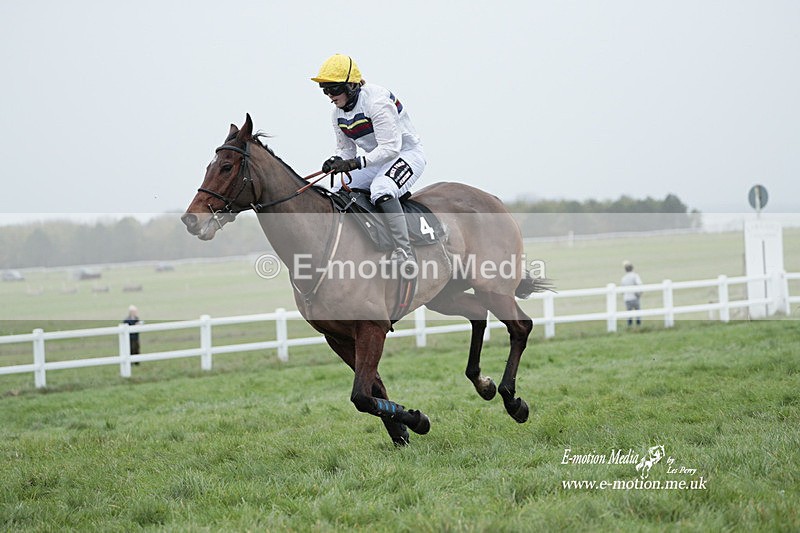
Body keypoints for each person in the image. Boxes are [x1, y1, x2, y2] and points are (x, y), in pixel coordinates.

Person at [312, 54, 425, 272]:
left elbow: (391, 147)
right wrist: (337, 161)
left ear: (351, 85)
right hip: (377, 159)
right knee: (336, 188)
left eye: (334, 89)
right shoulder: (337, 114)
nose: (329, 96)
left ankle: (405, 252)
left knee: (381, 188)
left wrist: (355, 163)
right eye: (325, 90)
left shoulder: (377, 102)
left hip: (406, 154)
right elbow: (346, 150)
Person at [621, 261, 643, 326]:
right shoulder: (635, 276)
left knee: (629, 313)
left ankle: (629, 325)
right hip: (635, 297)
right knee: (638, 312)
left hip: (627, 298)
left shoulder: (624, 278)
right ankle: (638, 325)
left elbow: (622, 290)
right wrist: (639, 294)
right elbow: (640, 285)